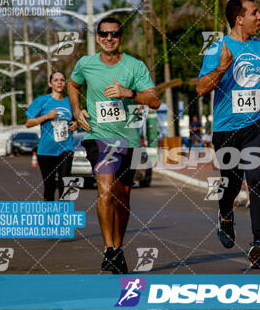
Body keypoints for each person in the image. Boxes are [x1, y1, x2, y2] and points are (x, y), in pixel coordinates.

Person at [68, 16, 160, 274]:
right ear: (97, 37)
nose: (109, 38)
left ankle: (118, 247)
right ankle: (109, 248)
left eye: (114, 34)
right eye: (104, 34)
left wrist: (129, 93)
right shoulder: (86, 64)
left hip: (128, 138)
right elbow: (73, 85)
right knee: (105, 190)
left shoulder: (135, 66)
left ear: (121, 37)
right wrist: (77, 110)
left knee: (123, 196)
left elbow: (155, 101)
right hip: (98, 136)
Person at [196, 0, 260, 269]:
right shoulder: (217, 48)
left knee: (256, 179)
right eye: (254, 13)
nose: (259, 17)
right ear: (239, 18)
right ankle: (225, 212)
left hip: (257, 125)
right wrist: (221, 67)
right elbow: (200, 88)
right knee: (231, 183)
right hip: (226, 129)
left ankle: (258, 243)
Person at [26, 71, 77, 201]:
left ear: (65, 83)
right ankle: (49, 218)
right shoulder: (42, 101)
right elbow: (29, 123)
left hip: (66, 147)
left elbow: (77, 120)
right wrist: (47, 116)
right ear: (50, 83)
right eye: (56, 80)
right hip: (46, 149)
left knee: (65, 184)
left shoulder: (70, 101)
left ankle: (64, 218)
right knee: (49, 186)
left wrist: (76, 124)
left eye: (62, 80)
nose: (59, 82)